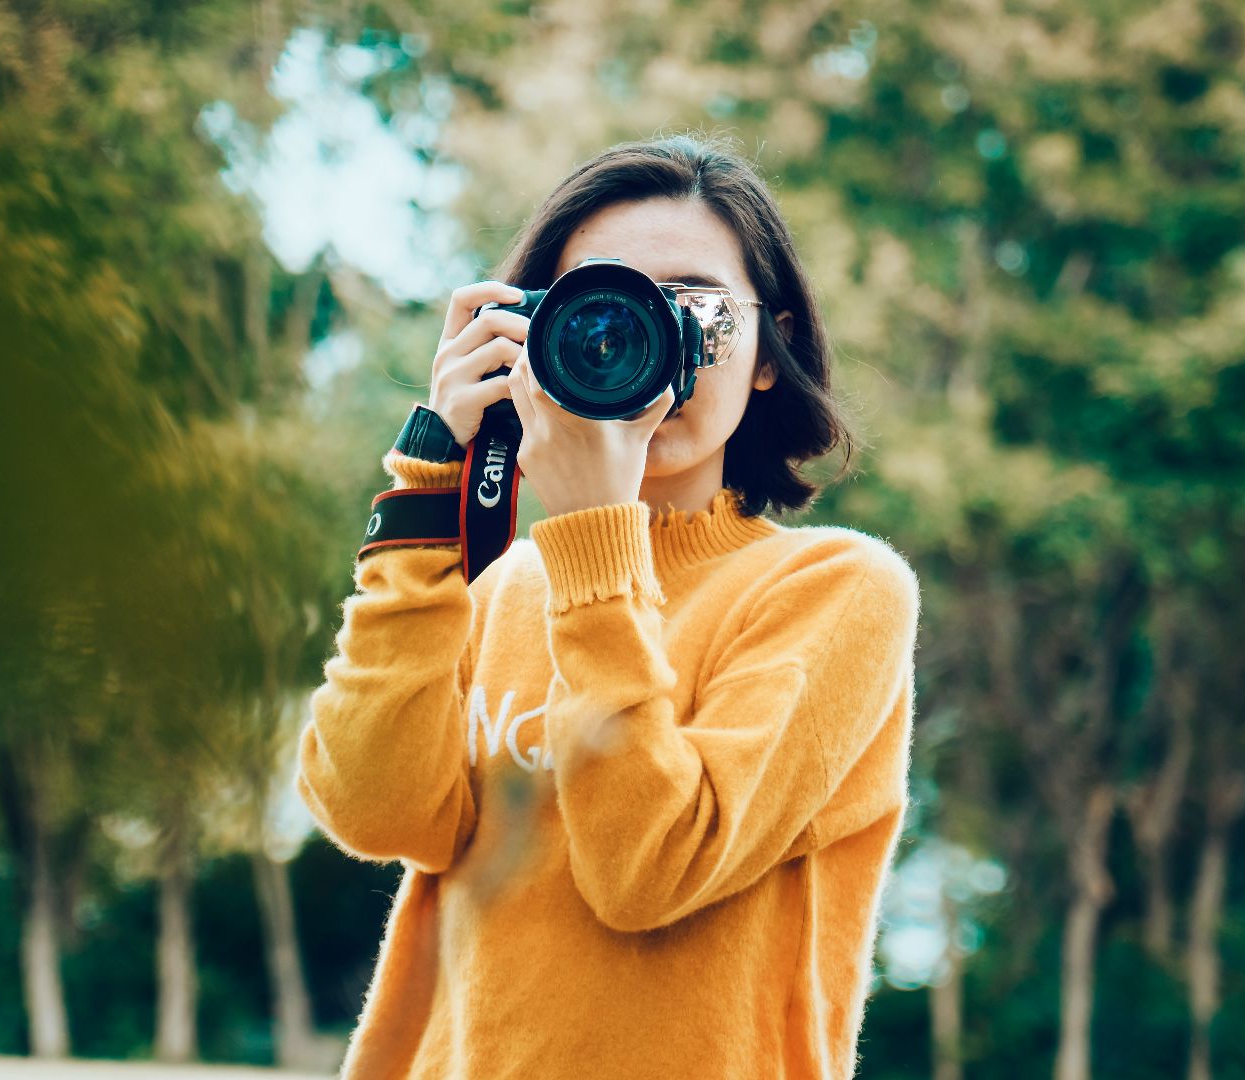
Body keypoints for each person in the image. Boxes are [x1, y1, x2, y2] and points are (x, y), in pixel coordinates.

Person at [297, 133, 921, 1079]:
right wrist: (432, 483)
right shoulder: (495, 585)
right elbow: (375, 812)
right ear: (529, 332)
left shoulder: (837, 591)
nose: (642, 335)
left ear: (767, 350)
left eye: (693, 305)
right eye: (599, 303)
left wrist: (595, 535)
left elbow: (648, 871)